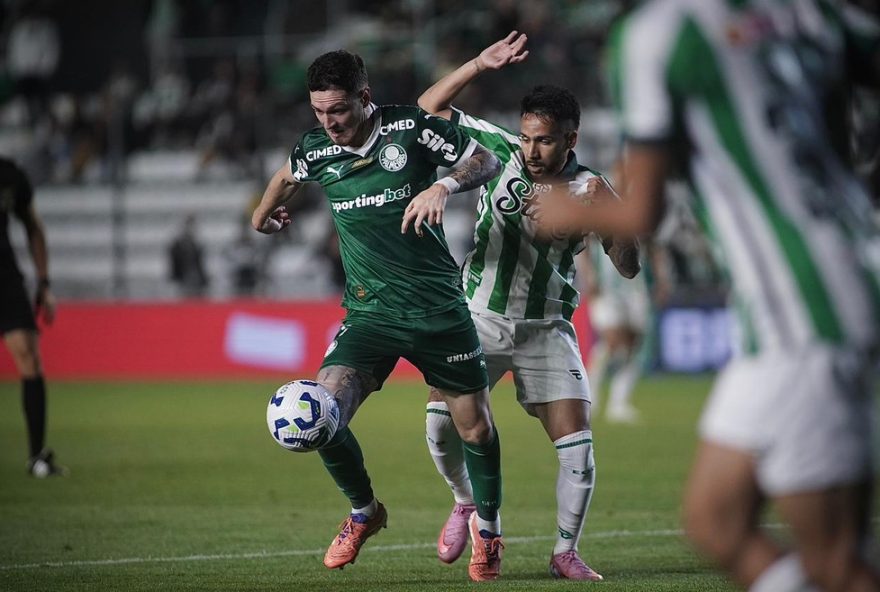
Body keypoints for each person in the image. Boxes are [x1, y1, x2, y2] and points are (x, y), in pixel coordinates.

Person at [536, 2, 880, 590]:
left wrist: (562, 209)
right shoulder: (812, 12)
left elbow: (642, 211)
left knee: (836, 561)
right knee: (715, 522)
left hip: (806, 308)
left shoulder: (658, 35)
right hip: (805, 296)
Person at [251, 49, 506, 582]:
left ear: (364, 98)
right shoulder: (316, 148)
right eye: (319, 111)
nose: (329, 122)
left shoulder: (410, 129)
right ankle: (365, 512)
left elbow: (486, 160)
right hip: (370, 314)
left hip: (438, 310)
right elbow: (286, 176)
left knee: (476, 429)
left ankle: (488, 531)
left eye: (338, 110)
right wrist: (261, 215)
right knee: (321, 413)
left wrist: (442, 185)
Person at [417, 32, 640, 581]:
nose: (532, 151)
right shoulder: (497, 151)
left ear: (571, 139)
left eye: (544, 141)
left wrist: (604, 223)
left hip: (547, 327)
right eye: (526, 138)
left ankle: (564, 552)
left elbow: (629, 265)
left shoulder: (592, 189)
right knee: (440, 426)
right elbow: (429, 107)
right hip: (480, 319)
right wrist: (477, 63)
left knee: (578, 451)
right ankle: (466, 503)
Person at [0, 157, 66, 478]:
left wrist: (43, 283)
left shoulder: (9, 176)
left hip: (3, 275)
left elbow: (33, 225)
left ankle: (37, 456)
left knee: (28, 354)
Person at [581, 234, 650, 424]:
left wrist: (661, 276)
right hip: (605, 287)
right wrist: (588, 276)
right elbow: (584, 244)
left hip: (635, 286)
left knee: (633, 344)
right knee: (611, 342)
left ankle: (619, 402)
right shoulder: (598, 215)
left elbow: (652, 242)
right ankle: (590, 397)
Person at [168, 214, 210, 298]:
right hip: (183, 280)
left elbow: (201, 263)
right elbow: (175, 262)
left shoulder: (197, 244)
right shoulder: (178, 245)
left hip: (197, 280)